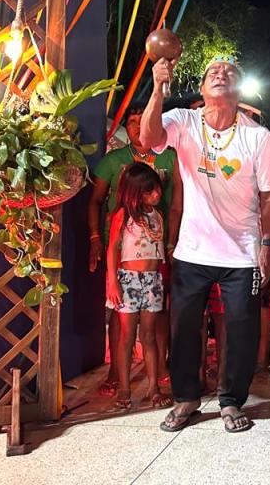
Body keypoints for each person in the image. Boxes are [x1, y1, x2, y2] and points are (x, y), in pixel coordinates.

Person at [143, 54, 270, 433]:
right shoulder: (184, 121)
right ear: (202, 88)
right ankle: (187, 397)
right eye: (212, 72)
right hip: (193, 249)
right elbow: (148, 138)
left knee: (241, 328)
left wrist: (267, 244)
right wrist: (158, 88)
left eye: (230, 73)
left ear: (239, 90)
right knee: (184, 327)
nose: (220, 75)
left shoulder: (258, 136)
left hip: (242, 250)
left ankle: (230, 400)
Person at [88, 103, 178, 397]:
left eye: (145, 121)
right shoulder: (114, 161)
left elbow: (177, 201)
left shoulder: (169, 156)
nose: (139, 127)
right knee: (122, 322)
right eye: (133, 121)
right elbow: (96, 201)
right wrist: (94, 239)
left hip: (156, 258)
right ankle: (119, 377)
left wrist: (172, 245)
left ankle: (159, 373)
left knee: (156, 321)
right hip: (125, 265)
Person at [105, 163, 173, 410]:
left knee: (149, 336)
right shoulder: (123, 216)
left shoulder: (157, 216)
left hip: (153, 280)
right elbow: (112, 248)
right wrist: (113, 281)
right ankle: (124, 389)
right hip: (128, 279)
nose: (157, 194)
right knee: (126, 336)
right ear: (135, 192)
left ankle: (154, 389)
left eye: (157, 189)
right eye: (150, 191)